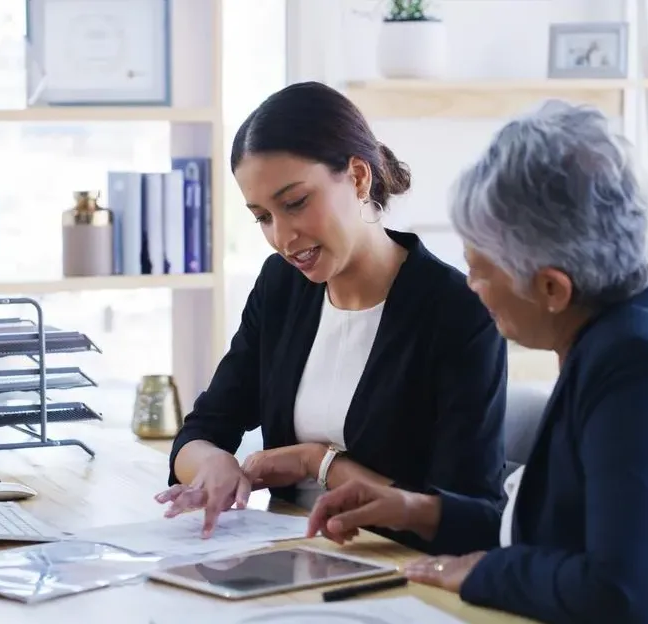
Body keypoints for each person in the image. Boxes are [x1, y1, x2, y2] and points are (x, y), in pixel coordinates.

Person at [305, 101, 648, 623]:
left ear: (551, 287)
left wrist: (483, 574)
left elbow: (629, 599)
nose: (471, 288)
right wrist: (420, 511)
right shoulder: (632, 323)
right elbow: (561, 531)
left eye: (480, 271)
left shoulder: (643, 371)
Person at [155, 81, 509, 551]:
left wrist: (317, 462)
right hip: (292, 554)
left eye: (296, 203)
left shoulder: (459, 311)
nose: (283, 237)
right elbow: (202, 430)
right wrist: (213, 464)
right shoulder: (281, 286)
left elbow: (467, 516)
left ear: (359, 177)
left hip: (399, 570)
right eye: (262, 217)